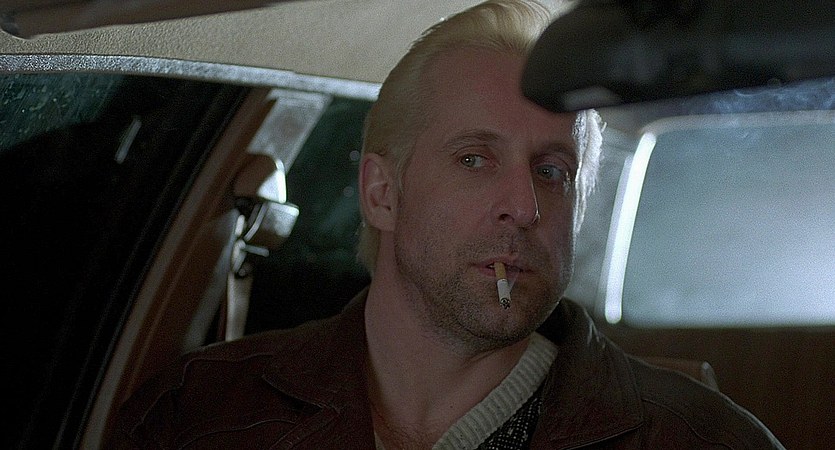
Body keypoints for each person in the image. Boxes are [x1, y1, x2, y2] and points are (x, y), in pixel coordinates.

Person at [113, 1, 785, 448]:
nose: (524, 206)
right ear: (382, 193)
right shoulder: (201, 414)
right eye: (473, 159)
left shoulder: (701, 441)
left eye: (552, 170)